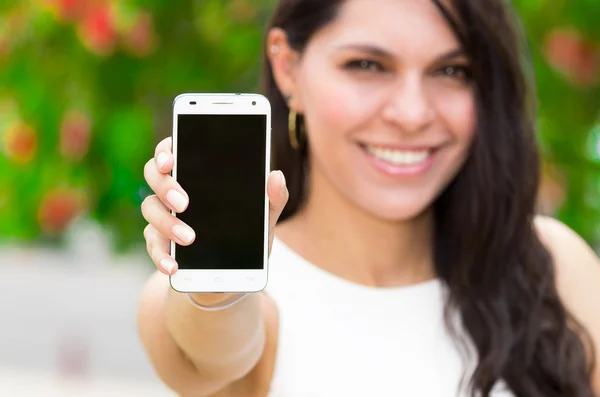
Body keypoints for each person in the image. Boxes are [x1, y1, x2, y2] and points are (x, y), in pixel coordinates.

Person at [137, 0, 600, 396]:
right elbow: (211, 350)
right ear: (288, 69)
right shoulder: (209, 290)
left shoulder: (552, 265)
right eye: (367, 65)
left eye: (451, 70)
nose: (412, 113)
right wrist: (216, 287)